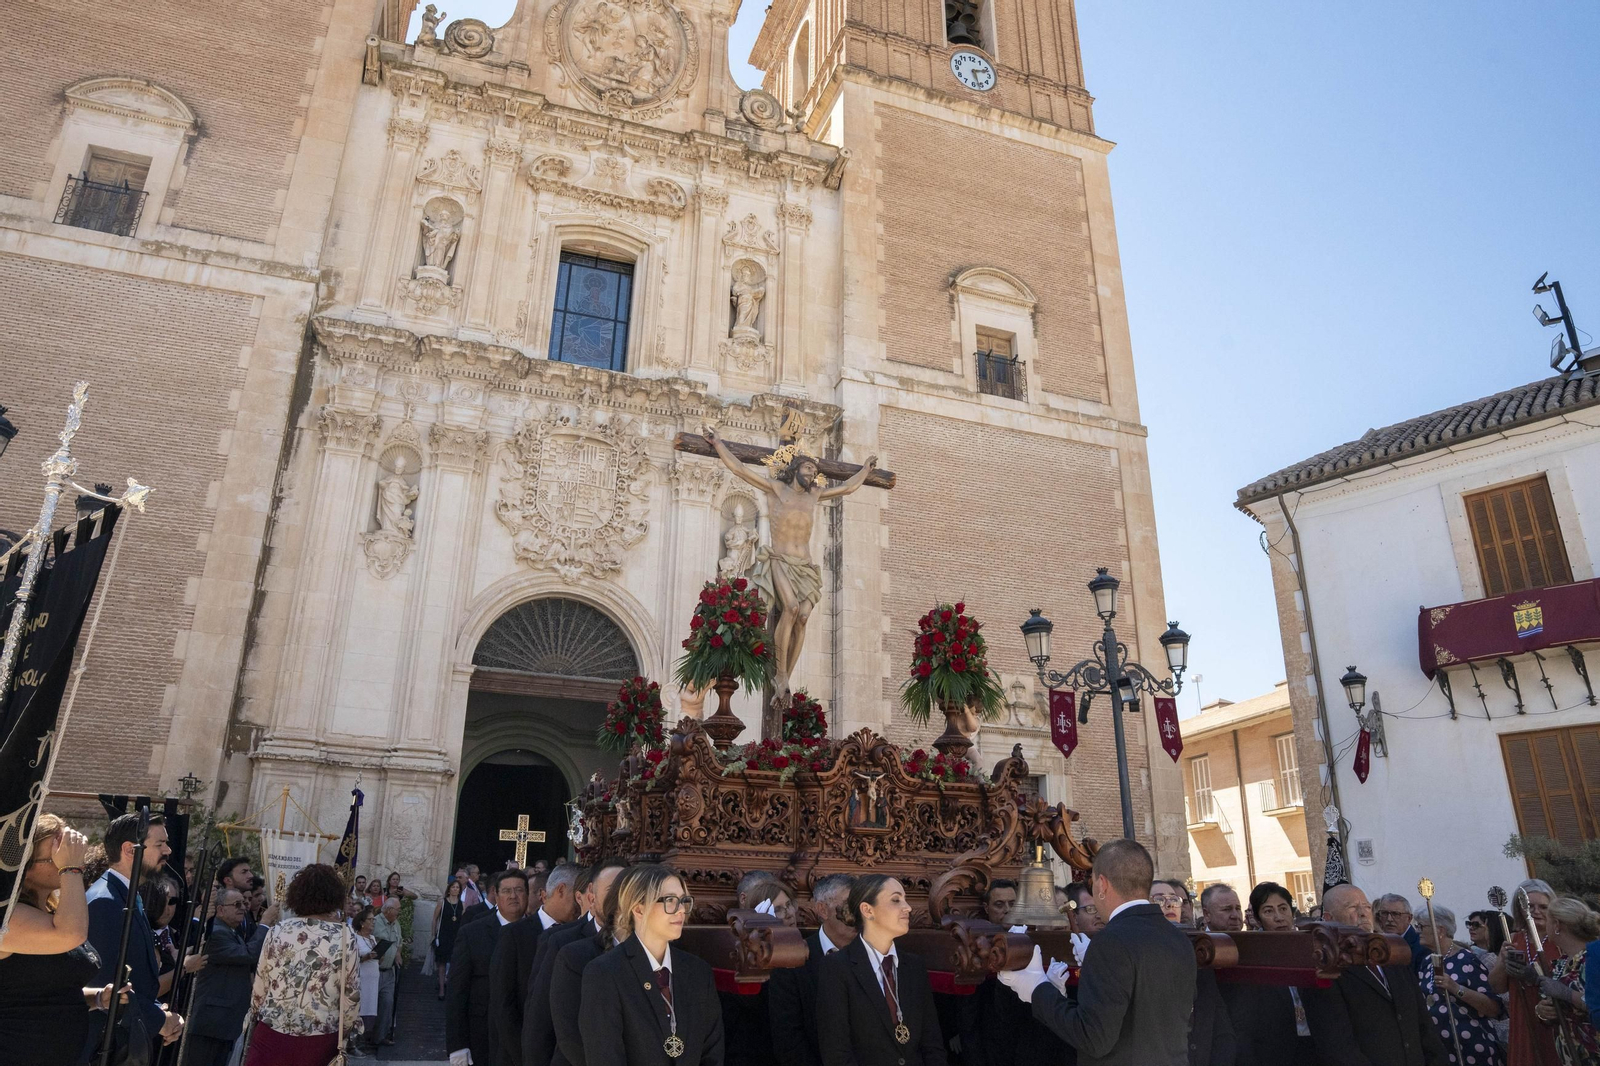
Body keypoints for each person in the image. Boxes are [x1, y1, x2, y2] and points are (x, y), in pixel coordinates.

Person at [998, 838, 1196, 1066]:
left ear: (1102, 884)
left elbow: (1093, 1038)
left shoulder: (1110, 941)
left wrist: (1037, 988)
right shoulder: (1179, 939)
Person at [0, 814, 121, 1066]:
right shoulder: (7, 919)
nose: (66, 856)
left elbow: (43, 992)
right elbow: (71, 935)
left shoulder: (53, 913)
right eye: (54, 854)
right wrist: (71, 869)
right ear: (25, 867)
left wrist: (97, 998)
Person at [581, 864, 723, 1066]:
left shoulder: (698, 971)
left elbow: (712, 1051)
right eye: (670, 901)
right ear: (638, 908)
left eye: (683, 901)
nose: (681, 910)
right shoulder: (605, 972)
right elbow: (604, 1056)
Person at [1302, 883, 1447, 1066]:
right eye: (1352, 907)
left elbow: (1423, 1024)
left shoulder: (1393, 956)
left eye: (1366, 906)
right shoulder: (1326, 970)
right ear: (1329, 918)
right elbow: (1338, 1047)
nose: (1363, 913)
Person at [85, 811, 184, 1058]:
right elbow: (104, 986)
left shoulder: (127, 895)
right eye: (160, 844)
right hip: (103, 1047)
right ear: (130, 849)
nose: (168, 851)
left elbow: (136, 978)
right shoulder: (105, 901)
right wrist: (159, 1020)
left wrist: (160, 1014)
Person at [818, 874, 944, 1066]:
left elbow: (932, 1044)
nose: (908, 907)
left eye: (905, 899)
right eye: (896, 900)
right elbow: (837, 1053)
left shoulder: (914, 966)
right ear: (868, 910)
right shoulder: (837, 968)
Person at [243, 863, 362, 1065]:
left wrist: (254, 1014)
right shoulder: (345, 936)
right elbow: (351, 994)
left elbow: (261, 984)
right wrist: (346, 1031)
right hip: (319, 1035)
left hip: (272, 1031)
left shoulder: (278, 930)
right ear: (334, 896)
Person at [493, 861, 581, 1065]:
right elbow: (503, 1002)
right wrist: (525, 1055)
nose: (580, 904)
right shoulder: (514, 934)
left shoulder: (579, 936)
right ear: (561, 890)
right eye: (577, 896)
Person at [543, 859, 630, 1066]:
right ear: (591, 897)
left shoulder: (651, 948)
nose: (619, 898)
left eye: (626, 890)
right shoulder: (565, 946)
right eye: (612, 890)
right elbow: (551, 1024)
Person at [1220, 882, 1314, 1066]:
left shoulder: (1309, 948)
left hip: (1314, 1048)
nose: (1279, 917)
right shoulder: (1252, 957)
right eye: (1269, 911)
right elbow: (1243, 1025)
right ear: (1257, 918)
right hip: (1272, 1053)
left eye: (1283, 908)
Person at [769, 873, 855, 1066]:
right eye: (849, 906)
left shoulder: (875, 955)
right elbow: (789, 1042)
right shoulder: (792, 963)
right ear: (822, 910)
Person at [449, 869, 529, 1066]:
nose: (513, 896)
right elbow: (457, 991)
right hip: (482, 1035)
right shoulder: (472, 933)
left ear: (527, 895)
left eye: (519, 890)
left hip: (525, 1036)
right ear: (495, 895)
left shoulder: (539, 933)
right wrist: (457, 1045)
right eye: (507, 891)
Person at [1413, 904, 1503, 1066]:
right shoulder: (1427, 962)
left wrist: (1455, 988)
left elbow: (1493, 1008)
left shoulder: (1466, 960)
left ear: (1440, 930)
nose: (1417, 931)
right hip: (1441, 1050)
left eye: (1421, 926)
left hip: (1471, 1048)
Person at [182, 887, 263, 1066]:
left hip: (223, 1023)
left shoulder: (231, 931)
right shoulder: (217, 932)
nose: (243, 908)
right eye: (237, 904)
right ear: (220, 909)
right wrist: (264, 925)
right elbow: (248, 954)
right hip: (211, 1024)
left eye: (244, 904)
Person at [1489, 879, 1561, 1066]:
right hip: (1523, 1015)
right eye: (1529, 906)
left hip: (1555, 1014)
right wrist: (1502, 961)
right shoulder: (1513, 939)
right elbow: (1496, 987)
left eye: (1543, 907)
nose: (1536, 911)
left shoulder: (1560, 939)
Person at [1532, 897, 1598, 1066]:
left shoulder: (1592, 959)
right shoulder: (1561, 963)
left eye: (1548, 920)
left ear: (1557, 925)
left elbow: (1595, 1004)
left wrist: (1567, 994)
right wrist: (1543, 1011)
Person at [370, 895, 404, 1047]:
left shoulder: (396, 923)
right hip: (375, 971)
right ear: (389, 910)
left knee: (387, 1003)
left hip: (389, 971)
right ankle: (364, 1037)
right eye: (398, 909)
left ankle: (380, 1036)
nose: (399, 912)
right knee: (370, 1005)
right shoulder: (375, 922)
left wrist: (398, 954)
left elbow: (399, 941)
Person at [350, 906, 381, 1059]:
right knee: (359, 1010)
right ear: (362, 923)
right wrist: (367, 957)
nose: (373, 922)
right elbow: (354, 959)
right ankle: (353, 1043)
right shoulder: (355, 938)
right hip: (362, 978)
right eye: (370, 920)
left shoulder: (373, 938)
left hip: (373, 978)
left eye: (374, 919)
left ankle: (363, 1040)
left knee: (369, 1009)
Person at [433, 880, 465, 999]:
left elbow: (463, 921)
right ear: (449, 889)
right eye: (453, 887)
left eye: (457, 887)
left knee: (453, 963)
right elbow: (435, 918)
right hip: (443, 935)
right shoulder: (442, 902)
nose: (455, 889)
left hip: (456, 937)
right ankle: (441, 989)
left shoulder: (463, 904)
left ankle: (450, 986)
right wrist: (433, 934)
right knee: (442, 963)